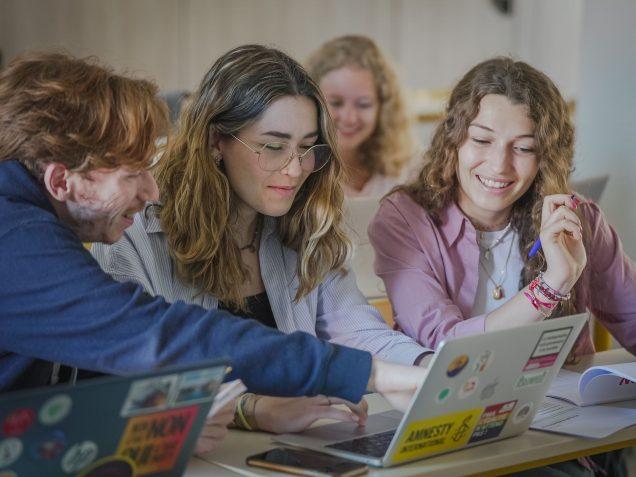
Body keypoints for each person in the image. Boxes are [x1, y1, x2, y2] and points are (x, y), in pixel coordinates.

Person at [0, 52, 428, 450]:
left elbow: (57, 403)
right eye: (133, 173)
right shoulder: (20, 239)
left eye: (306, 147)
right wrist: (363, 373)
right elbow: (157, 340)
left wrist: (426, 368)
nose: (151, 191)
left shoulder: (22, 218)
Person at [369, 57, 635, 475]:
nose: (499, 165)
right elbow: (449, 353)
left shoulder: (575, 218)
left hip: (559, 442)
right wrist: (551, 286)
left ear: (546, 155)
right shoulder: (406, 218)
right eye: (482, 140)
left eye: (524, 147)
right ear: (454, 139)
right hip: (451, 440)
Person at [306, 35, 415, 198]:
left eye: (363, 104)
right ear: (311, 101)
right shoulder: (297, 172)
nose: (349, 118)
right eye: (336, 103)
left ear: (383, 108)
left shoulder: (408, 170)